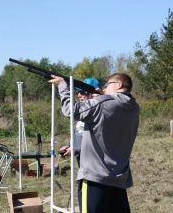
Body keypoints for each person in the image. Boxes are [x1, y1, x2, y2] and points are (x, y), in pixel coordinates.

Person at [49, 73, 139, 213]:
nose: (104, 88)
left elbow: (70, 111)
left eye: (107, 84)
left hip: (95, 178)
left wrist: (62, 86)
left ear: (119, 85)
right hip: (119, 179)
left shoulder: (103, 103)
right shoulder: (134, 107)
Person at [59, 77, 102, 168]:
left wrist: (76, 149)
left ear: (93, 94)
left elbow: (96, 142)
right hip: (84, 166)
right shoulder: (84, 112)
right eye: (78, 92)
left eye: (82, 92)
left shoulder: (98, 112)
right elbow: (80, 134)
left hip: (94, 168)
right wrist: (69, 146)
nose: (79, 95)